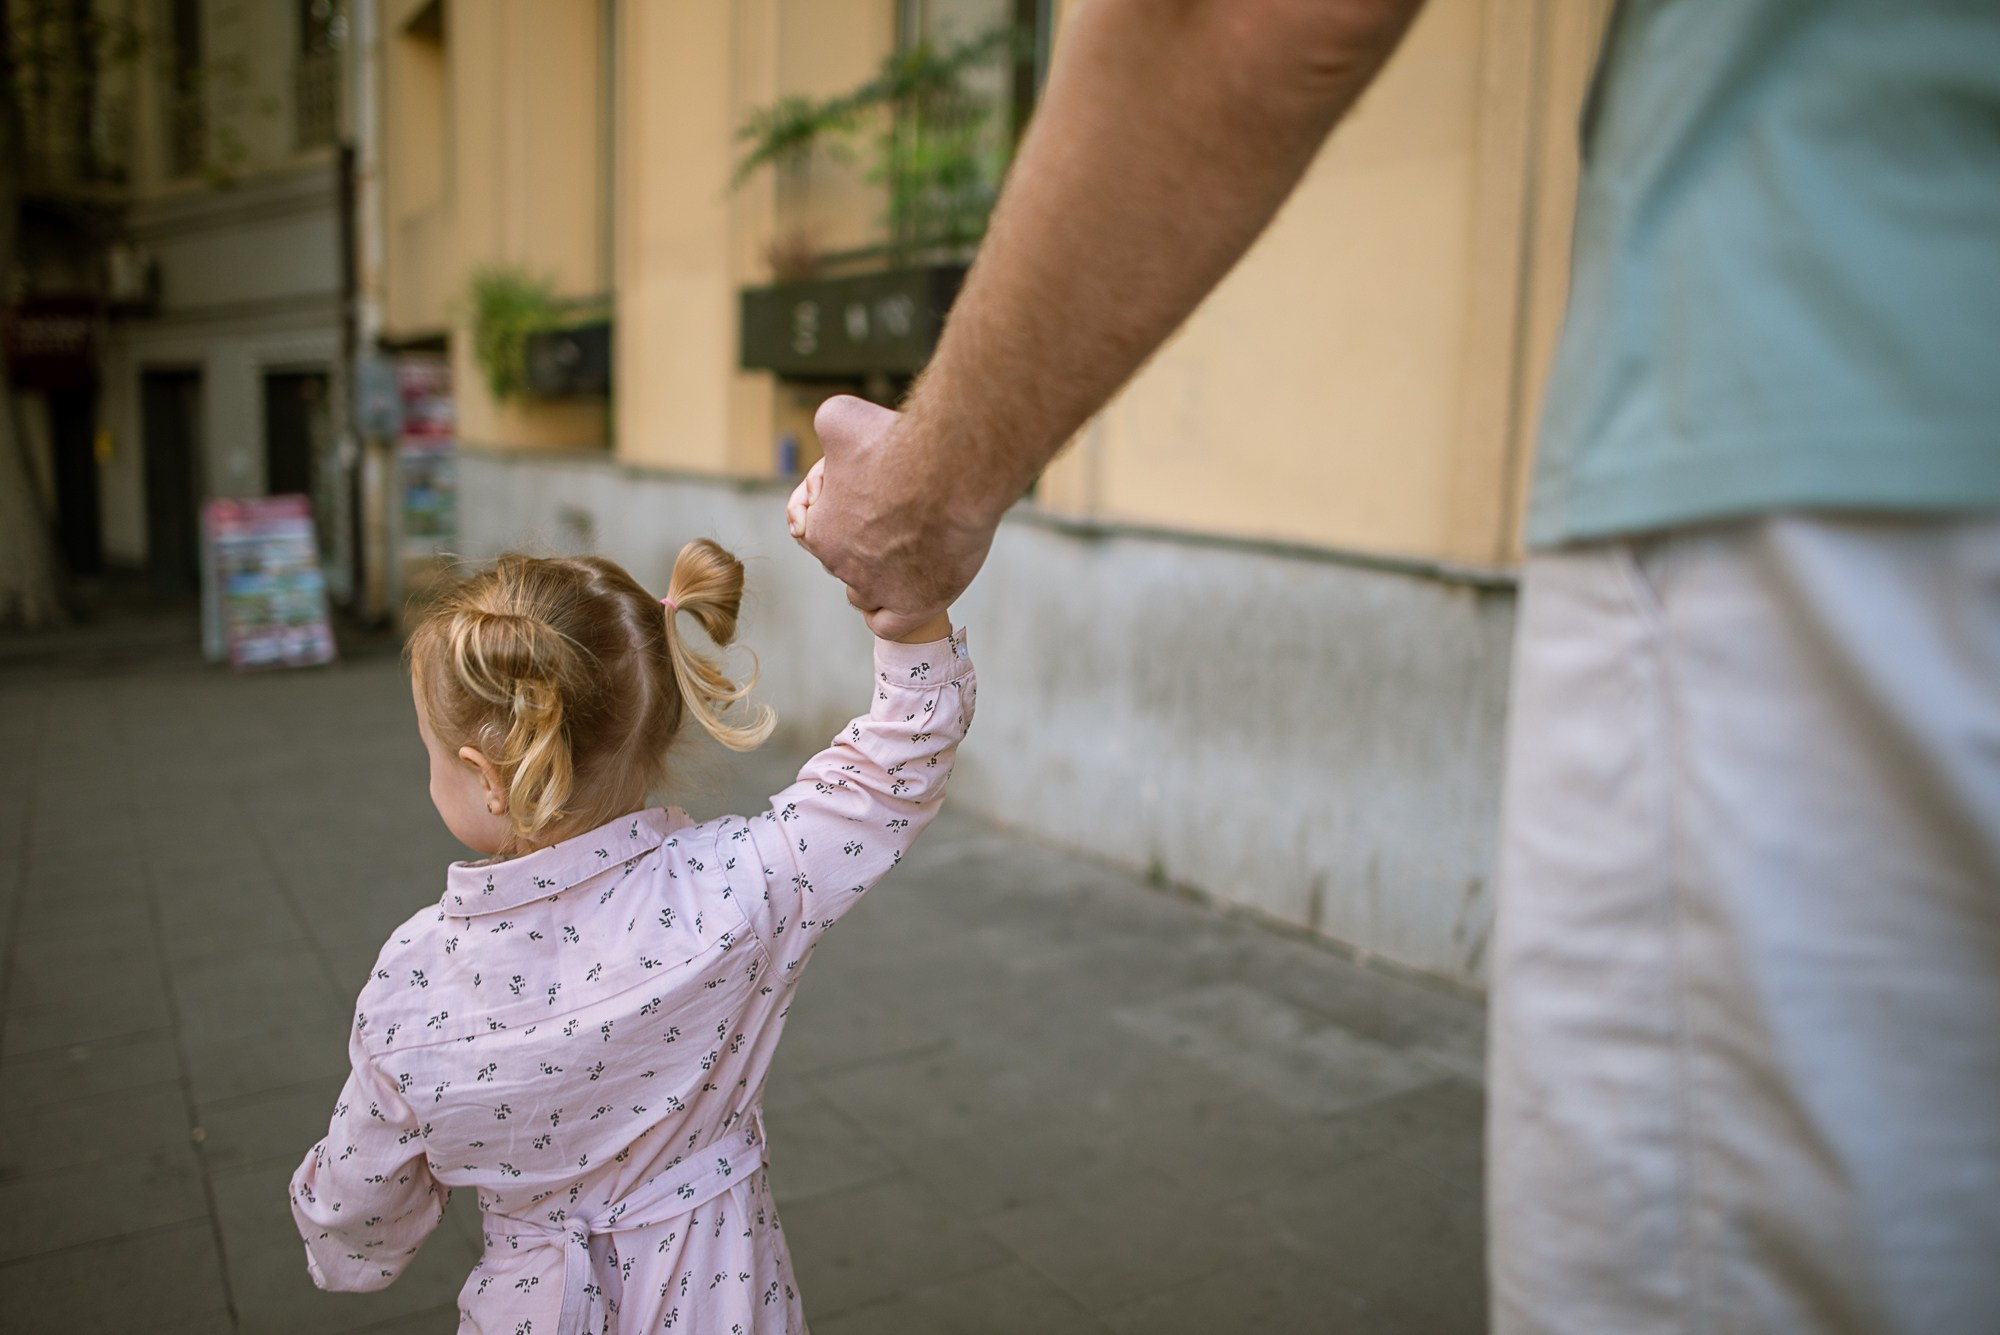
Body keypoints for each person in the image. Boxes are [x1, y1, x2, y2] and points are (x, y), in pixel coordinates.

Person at [791, 0, 2000, 1331]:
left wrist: (926, 496)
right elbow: (879, 783)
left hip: (1823, 454)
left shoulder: (689, 902)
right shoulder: (744, 883)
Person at [288, 540, 974, 1334]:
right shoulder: (736, 887)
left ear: (486, 777)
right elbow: (892, 773)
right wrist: (911, 604)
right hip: (723, 1299)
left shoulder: (413, 988)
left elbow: (353, 1227)